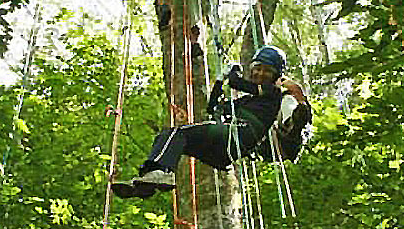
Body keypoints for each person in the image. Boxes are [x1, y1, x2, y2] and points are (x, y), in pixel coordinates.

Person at [112, 45, 310, 199]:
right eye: (257, 69)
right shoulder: (246, 101)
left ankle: (159, 173)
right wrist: (218, 81)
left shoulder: (273, 92)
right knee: (177, 141)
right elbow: (213, 107)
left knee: (175, 134)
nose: (260, 74)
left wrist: (232, 75)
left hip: (240, 134)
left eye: (267, 71)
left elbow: (236, 83)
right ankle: (146, 184)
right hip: (225, 153)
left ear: (276, 75)